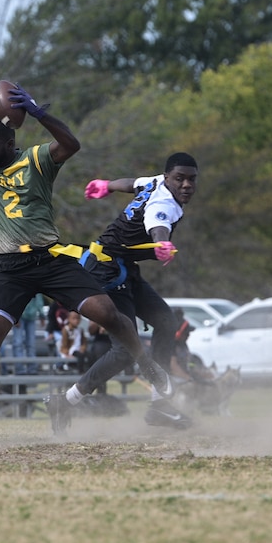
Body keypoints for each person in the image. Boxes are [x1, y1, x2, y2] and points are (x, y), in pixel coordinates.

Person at [0, 82, 172, 441]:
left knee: (107, 314)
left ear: (10, 144)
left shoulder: (36, 159)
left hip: (50, 260)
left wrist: (39, 113)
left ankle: (148, 366)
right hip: (10, 268)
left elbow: (71, 145)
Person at [45, 153, 199, 431]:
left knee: (166, 321)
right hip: (108, 272)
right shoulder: (165, 202)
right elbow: (157, 224)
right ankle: (65, 401)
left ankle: (159, 405)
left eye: (191, 179)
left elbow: (133, 183)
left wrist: (108, 185)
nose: (186, 184)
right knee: (124, 351)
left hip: (123, 268)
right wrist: (161, 243)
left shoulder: (156, 182)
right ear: (168, 178)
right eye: (180, 178)